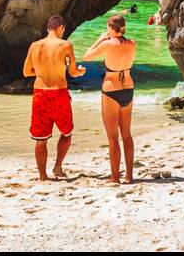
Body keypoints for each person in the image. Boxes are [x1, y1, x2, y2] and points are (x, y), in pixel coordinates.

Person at [23, 15, 85, 180]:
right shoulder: (65, 45)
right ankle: (57, 166)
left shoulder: (35, 45)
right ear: (61, 28)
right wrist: (80, 71)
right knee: (66, 132)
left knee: (41, 138)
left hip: (40, 94)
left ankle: (43, 176)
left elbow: (26, 72)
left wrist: (42, 72)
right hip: (59, 93)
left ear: (48, 28)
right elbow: (72, 72)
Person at [83, 15, 137, 184]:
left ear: (112, 29)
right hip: (128, 88)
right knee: (127, 135)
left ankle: (115, 177)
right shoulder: (132, 43)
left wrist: (99, 40)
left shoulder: (107, 44)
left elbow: (86, 57)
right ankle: (129, 176)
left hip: (111, 90)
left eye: (107, 28)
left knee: (113, 138)